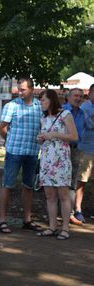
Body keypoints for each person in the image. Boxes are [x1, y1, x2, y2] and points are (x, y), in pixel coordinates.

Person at [0, 77, 43, 234]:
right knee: (7, 185)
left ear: (31, 89)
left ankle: (27, 220)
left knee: (29, 186)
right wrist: (9, 140)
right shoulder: (11, 106)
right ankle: (1, 220)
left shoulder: (39, 106)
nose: (19, 92)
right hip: (14, 151)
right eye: (19, 89)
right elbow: (2, 127)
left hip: (32, 152)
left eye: (23, 89)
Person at [36, 89, 78, 240]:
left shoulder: (65, 114)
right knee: (49, 195)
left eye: (43, 100)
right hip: (47, 160)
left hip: (61, 160)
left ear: (51, 100)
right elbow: (46, 136)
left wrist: (54, 135)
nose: (41, 103)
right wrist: (41, 138)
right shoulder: (44, 118)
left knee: (63, 195)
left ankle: (65, 228)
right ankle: (52, 226)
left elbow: (74, 136)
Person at [62, 88, 87, 224]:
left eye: (80, 96)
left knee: (72, 182)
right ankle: (54, 214)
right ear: (68, 97)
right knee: (58, 182)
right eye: (75, 96)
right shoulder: (62, 111)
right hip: (62, 150)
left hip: (76, 150)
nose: (78, 98)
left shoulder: (82, 113)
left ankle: (69, 213)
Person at [75, 84, 94, 221]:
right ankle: (77, 209)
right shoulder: (84, 108)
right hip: (85, 148)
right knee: (82, 179)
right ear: (91, 93)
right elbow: (90, 125)